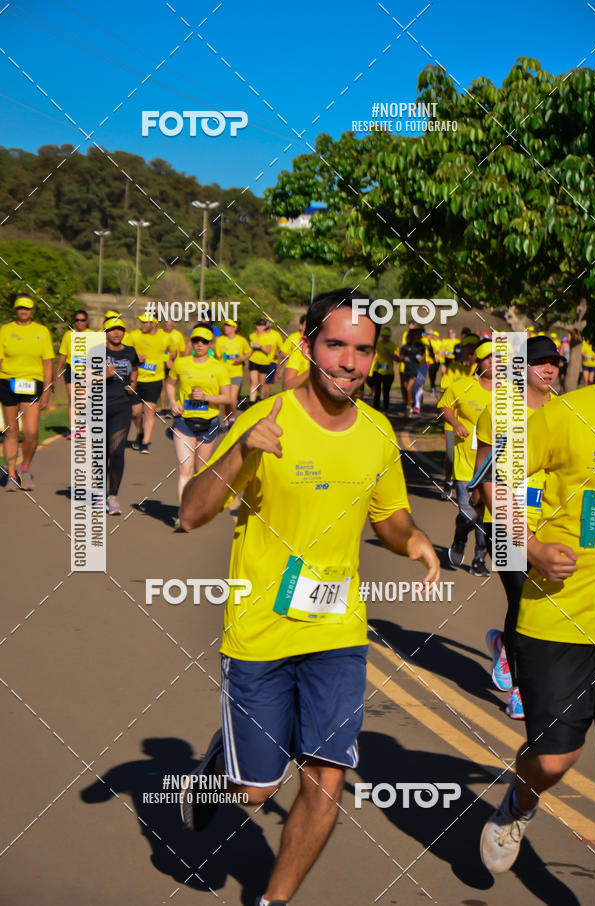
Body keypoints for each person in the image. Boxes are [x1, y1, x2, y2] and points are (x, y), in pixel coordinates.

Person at [177, 289, 440, 906]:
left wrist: (415, 540)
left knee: (328, 780)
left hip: (338, 633)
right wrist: (241, 452)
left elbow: (390, 517)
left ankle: (274, 901)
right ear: (308, 345)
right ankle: (219, 774)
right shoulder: (265, 419)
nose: (348, 362)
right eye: (336, 345)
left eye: (362, 350)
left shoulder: (377, 432)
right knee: (257, 790)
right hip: (261, 630)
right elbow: (190, 514)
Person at [480, 379, 595, 874]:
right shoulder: (570, 413)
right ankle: (520, 804)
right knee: (552, 760)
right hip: (560, 618)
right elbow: (495, 479)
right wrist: (529, 549)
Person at [473, 335, 564, 718]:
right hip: (505, 521)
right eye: (539, 361)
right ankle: (523, 692)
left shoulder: (564, 412)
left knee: (545, 604)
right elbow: (480, 474)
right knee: (523, 601)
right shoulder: (498, 413)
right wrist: (482, 510)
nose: (548, 368)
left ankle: (507, 650)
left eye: (554, 362)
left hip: (553, 524)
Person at [438, 339, 493, 576]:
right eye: (490, 358)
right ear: (479, 362)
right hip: (466, 463)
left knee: (485, 514)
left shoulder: (511, 391)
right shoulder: (462, 386)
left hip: (494, 465)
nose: (496, 363)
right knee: (470, 514)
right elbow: (443, 407)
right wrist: (456, 423)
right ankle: (460, 536)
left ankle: (479, 559)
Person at [166, 326, 230, 518]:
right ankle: (184, 514)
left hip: (209, 422)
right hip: (184, 422)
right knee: (185, 467)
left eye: (203, 341)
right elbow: (170, 384)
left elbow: (227, 398)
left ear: (210, 344)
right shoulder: (181, 363)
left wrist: (206, 397)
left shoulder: (218, 367)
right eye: (195, 341)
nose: (199, 344)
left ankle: (198, 506)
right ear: (191, 342)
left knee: (200, 469)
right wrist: (172, 403)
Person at [0, 294, 54, 490]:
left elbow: (48, 362)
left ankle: (25, 467)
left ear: (32, 310)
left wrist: (47, 391)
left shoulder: (42, 331)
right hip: (7, 381)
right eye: (20, 308)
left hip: (32, 383)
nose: (23, 311)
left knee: (31, 433)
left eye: (27, 308)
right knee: (11, 431)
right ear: (15, 310)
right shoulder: (6, 330)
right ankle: (11, 475)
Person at [104, 317, 139, 515]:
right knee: (101, 454)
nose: (117, 333)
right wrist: (104, 375)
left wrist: (132, 384)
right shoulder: (96, 351)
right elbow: (84, 376)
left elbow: (135, 369)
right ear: (106, 331)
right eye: (113, 329)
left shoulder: (130, 351)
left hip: (122, 406)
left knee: (117, 451)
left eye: (121, 329)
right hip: (98, 407)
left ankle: (113, 496)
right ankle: (100, 494)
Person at [439, 336, 477, 500]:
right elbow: (445, 391)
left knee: (476, 456)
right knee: (451, 456)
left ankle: (474, 491)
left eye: (473, 347)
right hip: (453, 421)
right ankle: (448, 482)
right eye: (467, 346)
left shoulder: (480, 369)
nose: (470, 350)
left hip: (474, 421)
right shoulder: (453, 368)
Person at [129, 313, 172, 453]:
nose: (142, 324)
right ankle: (140, 432)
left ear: (154, 323)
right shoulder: (134, 335)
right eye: (141, 322)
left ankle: (145, 443)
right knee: (135, 412)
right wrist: (135, 357)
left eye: (146, 322)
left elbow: (172, 351)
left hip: (155, 380)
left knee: (149, 411)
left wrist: (170, 359)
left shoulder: (165, 337)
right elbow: (124, 353)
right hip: (136, 378)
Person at [55, 309, 91, 439]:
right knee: (72, 399)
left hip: (86, 370)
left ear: (86, 321)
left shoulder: (92, 335)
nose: (80, 323)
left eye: (82, 320)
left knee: (83, 400)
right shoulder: (68, 335)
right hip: (71, 369)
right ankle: (73, 429)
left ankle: (84, 427)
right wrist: (58, 371)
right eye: (77, 320)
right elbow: (63, 354)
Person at [214, 319, 252, 428]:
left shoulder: (241, 340)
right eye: (225, 325)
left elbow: (249, 352)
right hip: (223, 374)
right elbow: (217, 356)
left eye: (229, 326)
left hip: (236, 373)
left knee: (233, 399)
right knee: (226, 400)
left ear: (234, 328)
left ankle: (232, 418)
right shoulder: (220, 340)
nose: (226, 327)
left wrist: (242, 359)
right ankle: (226, 422)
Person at [159, 319, 186, 414]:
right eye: (165, 323)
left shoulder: (178, 335)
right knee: (162, 386)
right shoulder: (160, 333)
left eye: (169, 324)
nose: (167, 325)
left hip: (175, 364)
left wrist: (180, 362)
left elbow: (182, 350)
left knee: (173, 386)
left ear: (172, 324)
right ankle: (162, 408)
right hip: (162, 363)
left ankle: (173, 407)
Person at [370, 327, 400, 412]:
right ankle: (375, 410)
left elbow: (398, 359)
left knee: (386, 392)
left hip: (388, 373)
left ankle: (386, 409)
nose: (384, 337)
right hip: (377, 371)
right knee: (377, 391)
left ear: (389, 336)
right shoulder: (377, 344)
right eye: (383, 336)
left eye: (386, 336)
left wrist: (389, 354)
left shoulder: (393, 345)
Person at [398, 327, 426, 415]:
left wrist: (422, 358)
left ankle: (409, 407)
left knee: (409, 388)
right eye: (411, 336)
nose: (412, 338)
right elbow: (400, 356)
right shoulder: (405, 347)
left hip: (415, 370)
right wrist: (403, 358)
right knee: (405, 389)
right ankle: (409, 403)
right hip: (406, 370)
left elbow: (423, 354)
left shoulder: (420, 346)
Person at [248, 318, 273, 403]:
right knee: (254, 383)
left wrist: (260, 347)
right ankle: (252, 402)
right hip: (253, 360)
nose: (259, 327)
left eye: (261, 325)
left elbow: (268, 351)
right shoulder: (252, 336)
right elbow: (250, 348)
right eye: (258, 325)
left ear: (264, 327)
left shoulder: (267, 337)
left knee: (261, 384)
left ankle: (261, 399)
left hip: (264, 362)